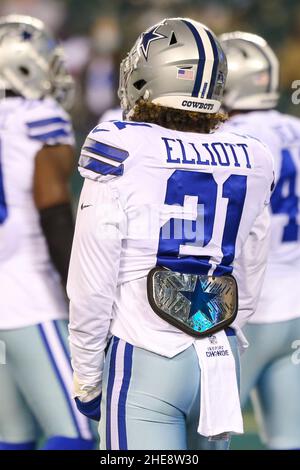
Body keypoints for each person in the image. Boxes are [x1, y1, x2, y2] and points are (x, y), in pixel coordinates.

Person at [68, 18, 274, 450]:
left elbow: (93, 276)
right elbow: (253, 266)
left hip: (146, 354)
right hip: (219, 357)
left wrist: (87, 372)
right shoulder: (253, 155)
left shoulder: (121, 144)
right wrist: (235, 338)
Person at [0, 15, 94, 450]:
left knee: (13, 435)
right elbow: (52, 206)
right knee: (75, 431)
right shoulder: (40, 117)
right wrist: (78, 289)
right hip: (28, 293)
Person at [219, 31, 300, 450]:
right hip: (296, 309)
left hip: (246, 312)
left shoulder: (228, 142)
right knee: (288, 441)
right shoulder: (294, 127)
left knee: (199, 441)